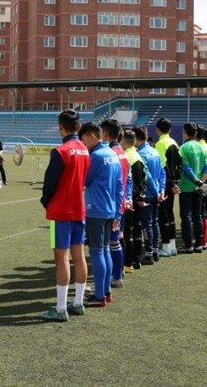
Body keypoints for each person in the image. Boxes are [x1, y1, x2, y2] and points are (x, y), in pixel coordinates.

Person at [39, 110, 90, 322]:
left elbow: (49, 183)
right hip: (79, 209)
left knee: (61, 259)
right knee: (78, 256)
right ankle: (77, 302)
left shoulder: (61, 151)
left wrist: (45, 201)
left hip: (61, 211)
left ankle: (61, 308)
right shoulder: (86, 151)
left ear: (61, 127)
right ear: (79, 127)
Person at [80, 122, 122, 308]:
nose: (83, 144)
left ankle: (99, 295)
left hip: (96, 209)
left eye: (83, 140)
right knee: (104, 251)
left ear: (92, 136)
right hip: (109, 209)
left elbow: (85, 180)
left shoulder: (96, 156)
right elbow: (120, 185)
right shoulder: (112, 154)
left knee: (97, 252)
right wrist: (117, 214)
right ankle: (105, 292)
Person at [99, 119, 129, 287]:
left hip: (109, 205)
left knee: (110, 243)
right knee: (115, 240)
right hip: (120, 203)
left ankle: (115, 276)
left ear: (105, 134)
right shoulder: (123, 153)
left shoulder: (109, 154)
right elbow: (127, 180)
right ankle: (118, 273)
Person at [179, 122, 207, 254]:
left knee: (186, 216)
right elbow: (206, 167)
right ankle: (198, 243)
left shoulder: (183, 148)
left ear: (185, 133)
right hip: (198, 188)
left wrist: (197, 182)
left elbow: (185, 167)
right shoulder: (202, 147)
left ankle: (188, 245)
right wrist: (201, 183)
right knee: (197, 215)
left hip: (187, 187)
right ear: (196, 133)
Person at [135, 126, 165, 264]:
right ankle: (155, 251)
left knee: (147, 224)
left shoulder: (140, 154)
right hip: (157, 192)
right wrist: (161, 190)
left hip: (148, 193)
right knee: (154, 222)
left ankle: (149, 254)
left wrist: (155, 190)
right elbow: (162, 173)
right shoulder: (155, 151)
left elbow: (147, 176)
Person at [155, 118, 182, 257]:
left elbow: (163, 167)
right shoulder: (174, 143)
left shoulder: (160, 144)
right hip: (173, 183)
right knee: (170, 213)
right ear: (170, 129)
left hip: (165, 184)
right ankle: (172, 246)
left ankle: (166, 246)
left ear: (157, 129)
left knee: (163, 215)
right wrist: (176, 182)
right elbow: (179, 165)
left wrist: (171, 184)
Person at [122, 130, 147, 272]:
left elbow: (128, 180)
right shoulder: (138, 155)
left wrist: (131, 197)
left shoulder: (126, 156)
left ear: (124, 141)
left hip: (131, 199)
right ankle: (137, 260)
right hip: (139, 198)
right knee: (137, 230)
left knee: (128, 232)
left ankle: (128, 263)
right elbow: (145, 178)